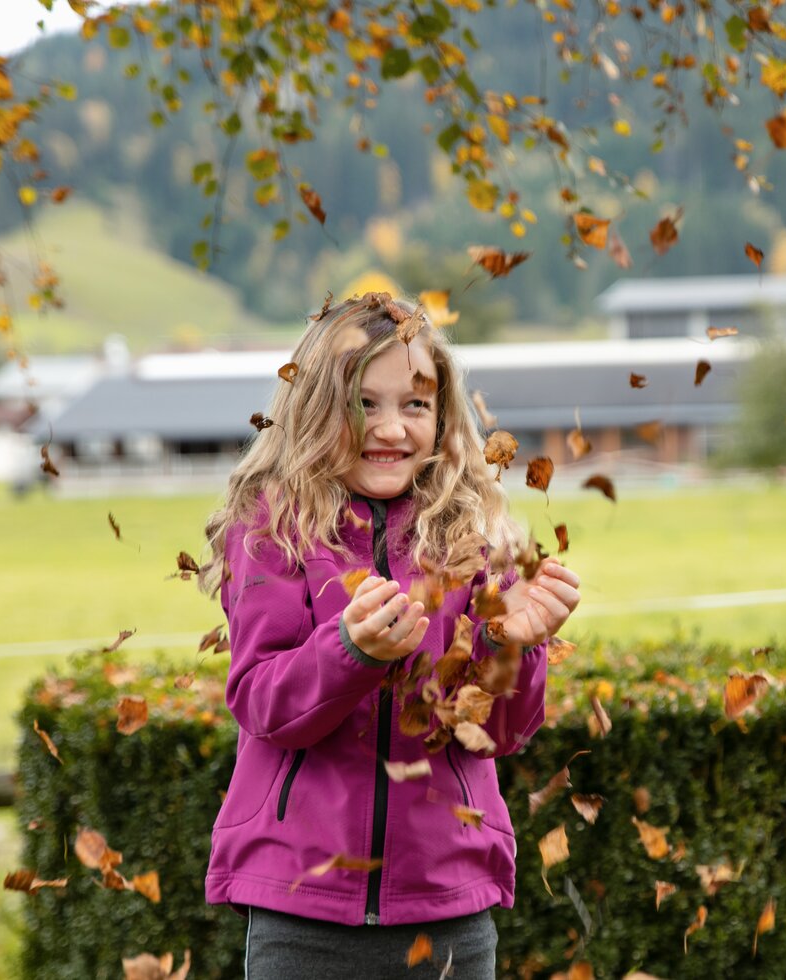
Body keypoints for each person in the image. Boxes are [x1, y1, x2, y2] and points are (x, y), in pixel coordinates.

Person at [199, 292, 581, 979]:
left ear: (442, 417)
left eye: (414, 404)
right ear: (317, 410)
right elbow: (261, 701)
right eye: (364, 404)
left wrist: (509, 646)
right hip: (300, 907)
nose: (391, 428)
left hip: (447, 902)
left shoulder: (474, 537)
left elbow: (495, 733)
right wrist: (350, 654)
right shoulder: (272, 529)